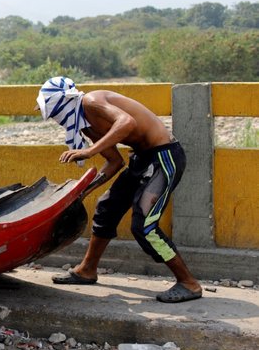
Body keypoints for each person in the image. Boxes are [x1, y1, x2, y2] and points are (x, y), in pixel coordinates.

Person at [37, 76, 202, 303]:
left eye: (53, 111)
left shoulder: (91, 102)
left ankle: (189, 283)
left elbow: (127, 123)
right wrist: (84, 191)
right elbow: (115, 162)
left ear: (62, 103)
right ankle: (87, 270)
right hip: (142, 159)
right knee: (107, 208)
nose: (55, 118)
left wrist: (89, 151)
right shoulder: (86, 124)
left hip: (164, 157)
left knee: (144, 225)